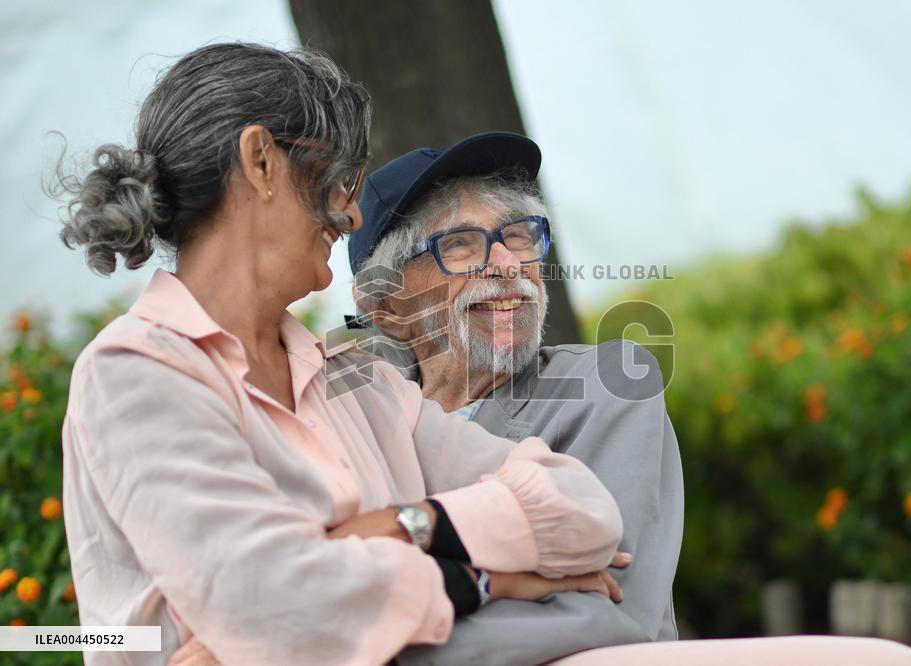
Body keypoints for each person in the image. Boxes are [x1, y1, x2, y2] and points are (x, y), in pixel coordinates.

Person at [56, 42, 625, 666]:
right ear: (261, 161)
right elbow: (277, 606)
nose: (353, 215)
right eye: (340, 180)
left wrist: (408, 524)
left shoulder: (358, 381)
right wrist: (485, 579)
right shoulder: (134, 372)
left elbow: (586, 512)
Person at [347, 131, 683, 665]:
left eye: (520, 235)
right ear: (386, 305)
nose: (507, 264)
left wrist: (358, 640)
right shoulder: (354, 421)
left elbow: (605, 614)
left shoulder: (609, 382)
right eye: (458, 244)